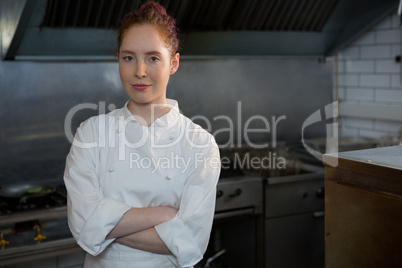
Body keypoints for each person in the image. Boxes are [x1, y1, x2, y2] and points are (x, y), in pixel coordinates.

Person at [63, 2, 221, 268]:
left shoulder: (200, 144)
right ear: (118, 60)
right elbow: (82, 224)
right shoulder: (91, 133)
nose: (140, 71)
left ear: (174, 63)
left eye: (153, 58)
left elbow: (191, 241)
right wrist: (162, 215)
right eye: (128, 57)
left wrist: (104, 227)